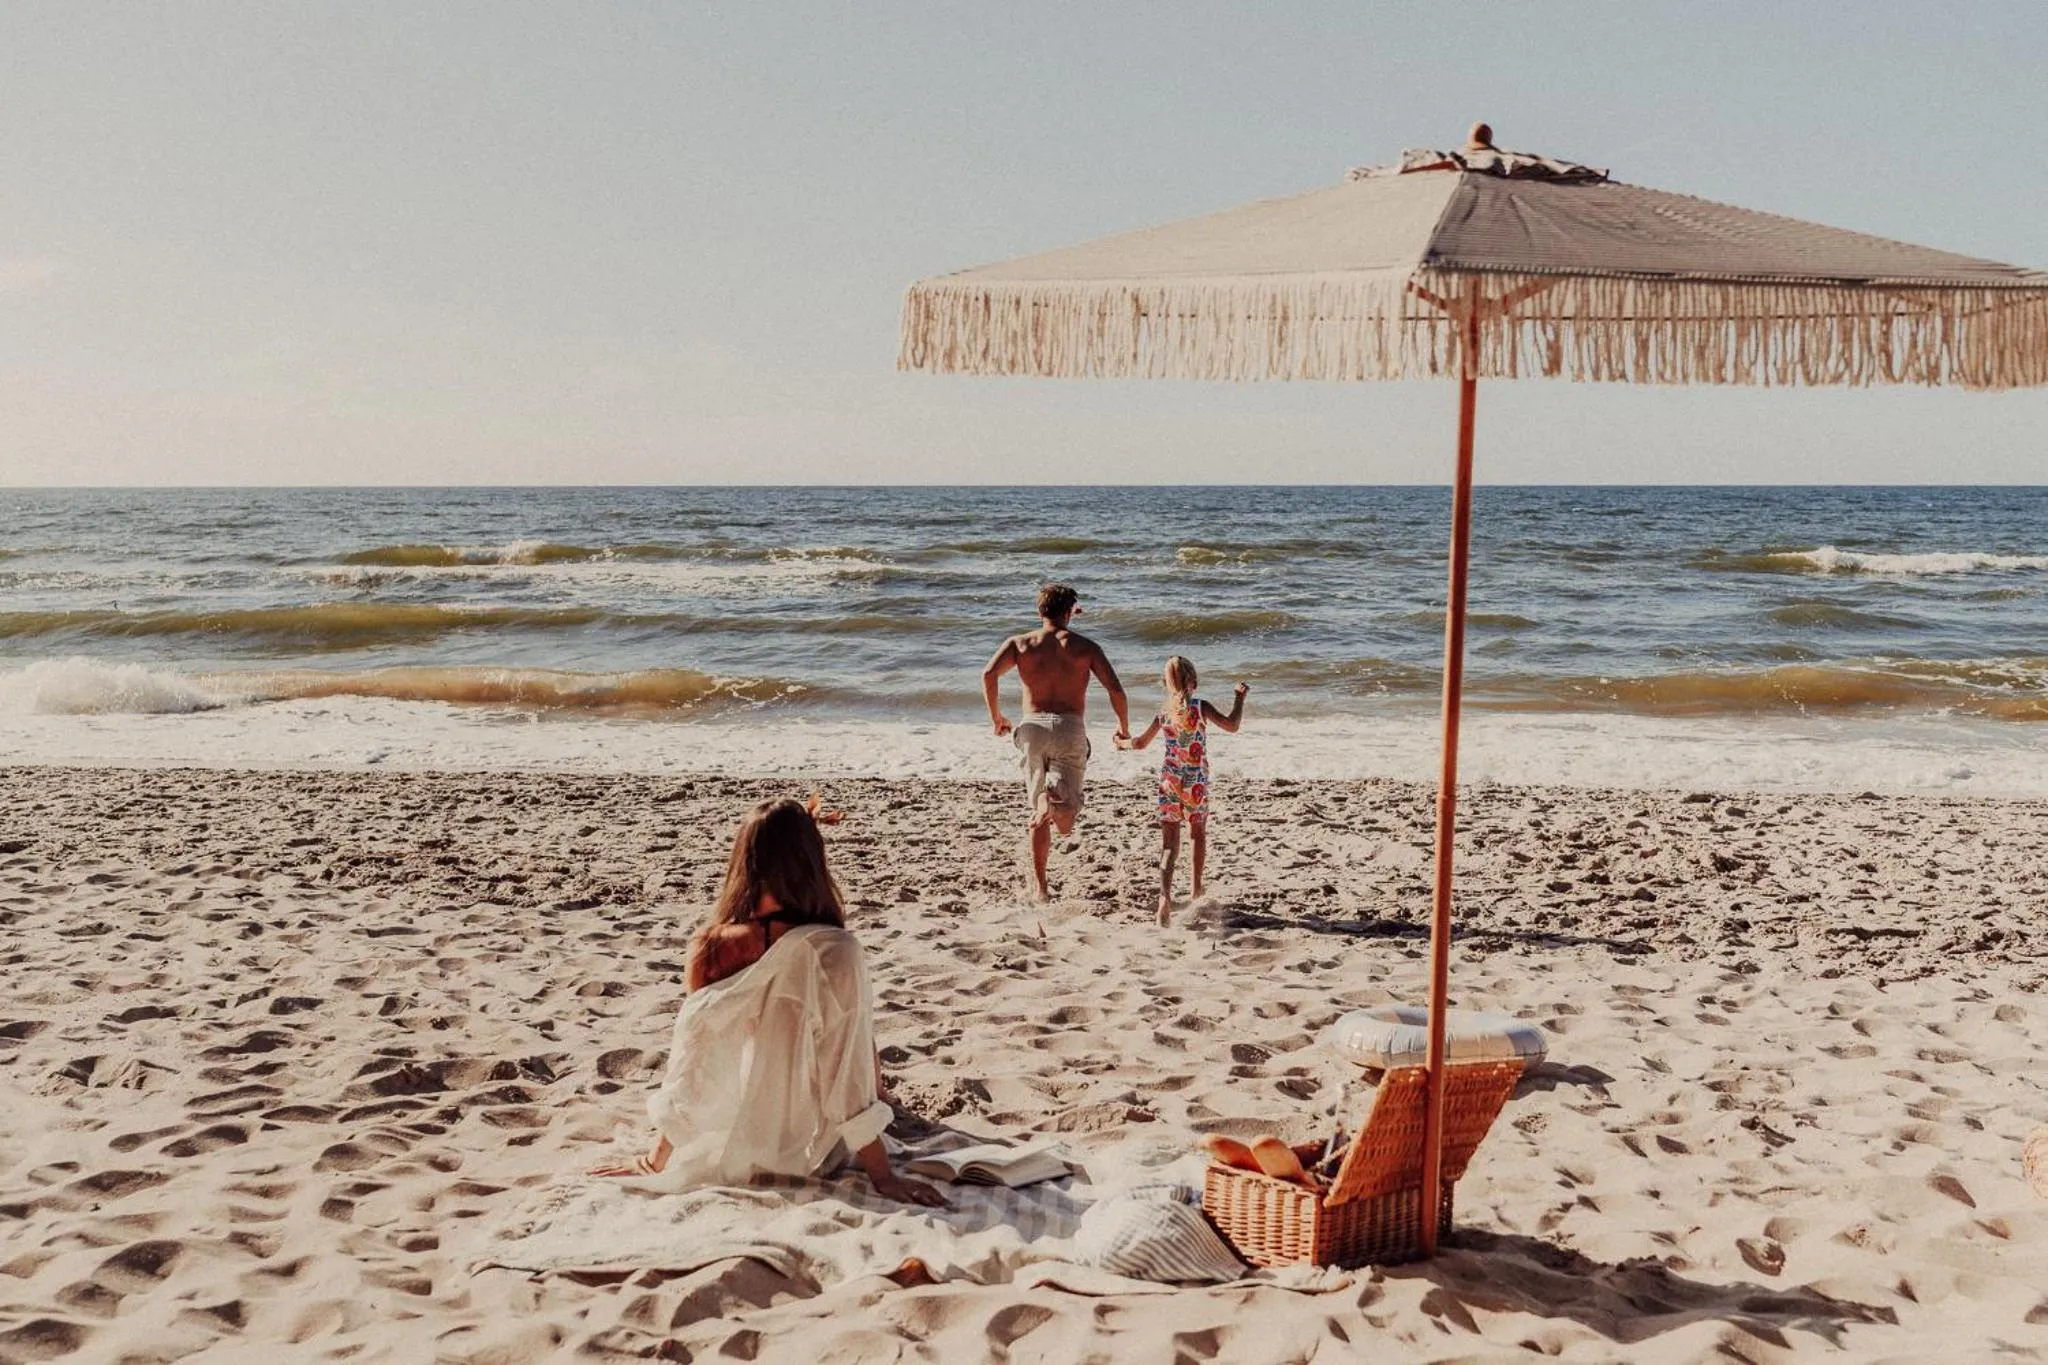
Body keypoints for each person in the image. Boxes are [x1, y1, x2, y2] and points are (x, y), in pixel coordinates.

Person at [593, 798, 945, 1207]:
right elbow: (844, 1069)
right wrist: (883, 1177)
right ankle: (884, 1100)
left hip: (725, 1140)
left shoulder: (707, 945)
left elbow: (694, 1065)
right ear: (811, 862)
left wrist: (655, 1161)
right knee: (854, 1037)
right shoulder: (834, 948)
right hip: (808, 1150)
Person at [982, 582, 1130, 902]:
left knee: (1038, 812)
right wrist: (1123, 728)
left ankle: (1041, 888)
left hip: (1031, 727)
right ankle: (1056, 801)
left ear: (1038, 611)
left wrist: (997, 718)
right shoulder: (1085, 647)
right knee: (1065, 822)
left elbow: (989, 674)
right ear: (1069, 613)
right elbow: (1116, 690)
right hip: (1069, 727)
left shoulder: (1020, 643)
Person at [1116, 656, 1248, 924]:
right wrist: (1239, 698)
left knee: (1168, 845)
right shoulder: (1200, 707)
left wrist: (1122, 744)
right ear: (1194, 682)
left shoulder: (1164, 714)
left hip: (1169, 781)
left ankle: (1164, 898)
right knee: (1197, 835)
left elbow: (1140, 743)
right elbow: (1232, 725)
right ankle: (1196, 890)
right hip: (1195, 782)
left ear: (1166, 683)